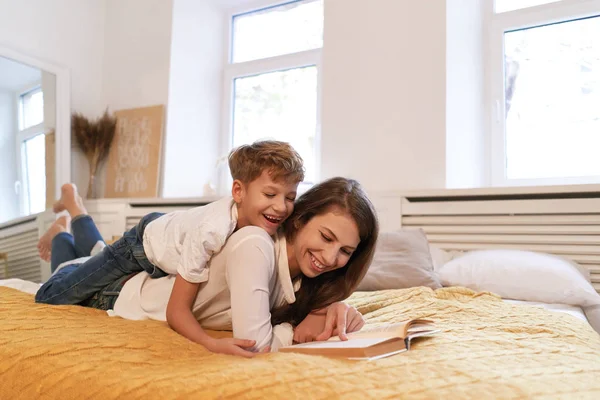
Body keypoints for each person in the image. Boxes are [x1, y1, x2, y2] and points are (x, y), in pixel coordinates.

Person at [78, 177, 379, 357]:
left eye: (345, 251)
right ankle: (74, 213)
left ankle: (71, 224)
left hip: (144, 277)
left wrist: (331, 308)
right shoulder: (255, 244)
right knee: (65, 275)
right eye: (326, 237)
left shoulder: (307, 281)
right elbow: (255, 346)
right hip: (124, 295)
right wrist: (295, 332)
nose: (329, 257)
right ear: (299, 219)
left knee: (92, 252)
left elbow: (302, 302)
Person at [35, 140, 305, 319]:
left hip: (167, 241)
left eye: (290, 198)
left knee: (97, 263)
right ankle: (66, 242)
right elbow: (178, 311)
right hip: (140, 246)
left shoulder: (268, 231)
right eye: (270, 194)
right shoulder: (213, 230)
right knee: (52, 297)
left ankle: (68, 223)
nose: (281, 207)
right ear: (238, 191)